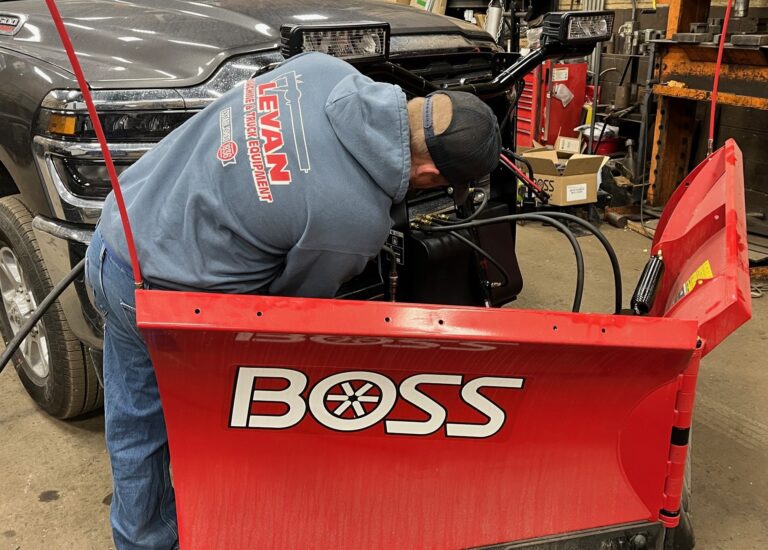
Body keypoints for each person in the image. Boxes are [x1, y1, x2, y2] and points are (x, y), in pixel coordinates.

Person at [85, 51, 501, 549]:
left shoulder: (323, 70)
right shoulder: (352, 221)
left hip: (117, 231)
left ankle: (140, 541)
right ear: (430, 171)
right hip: (158, 295)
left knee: (135, 423)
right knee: (225, 424)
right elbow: (286, 319)